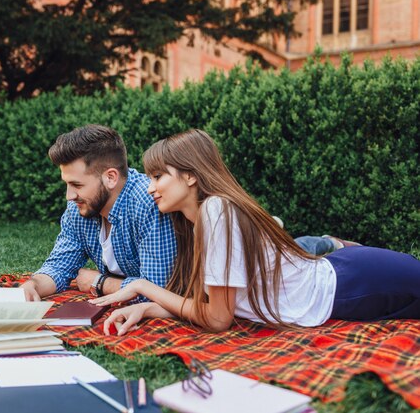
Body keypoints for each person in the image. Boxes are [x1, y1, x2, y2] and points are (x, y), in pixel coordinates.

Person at [90, 129, 420, 335]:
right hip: (343, 271)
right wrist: (148, 306)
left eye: (158, 176)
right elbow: (209, 305)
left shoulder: (216, 211)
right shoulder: (197, 221)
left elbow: (218, 319)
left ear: (190, 176)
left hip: (353, 284)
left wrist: (143, 288)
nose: (150, 188)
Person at [20, 124, 177, 301]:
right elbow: (59, 267)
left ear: (110, 177)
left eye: (77, 185)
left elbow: (159, 290)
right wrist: (33, 285)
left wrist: (100, 282)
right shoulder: (79, 208)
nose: (69, 196)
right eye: (67, 184)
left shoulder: (147, 203)